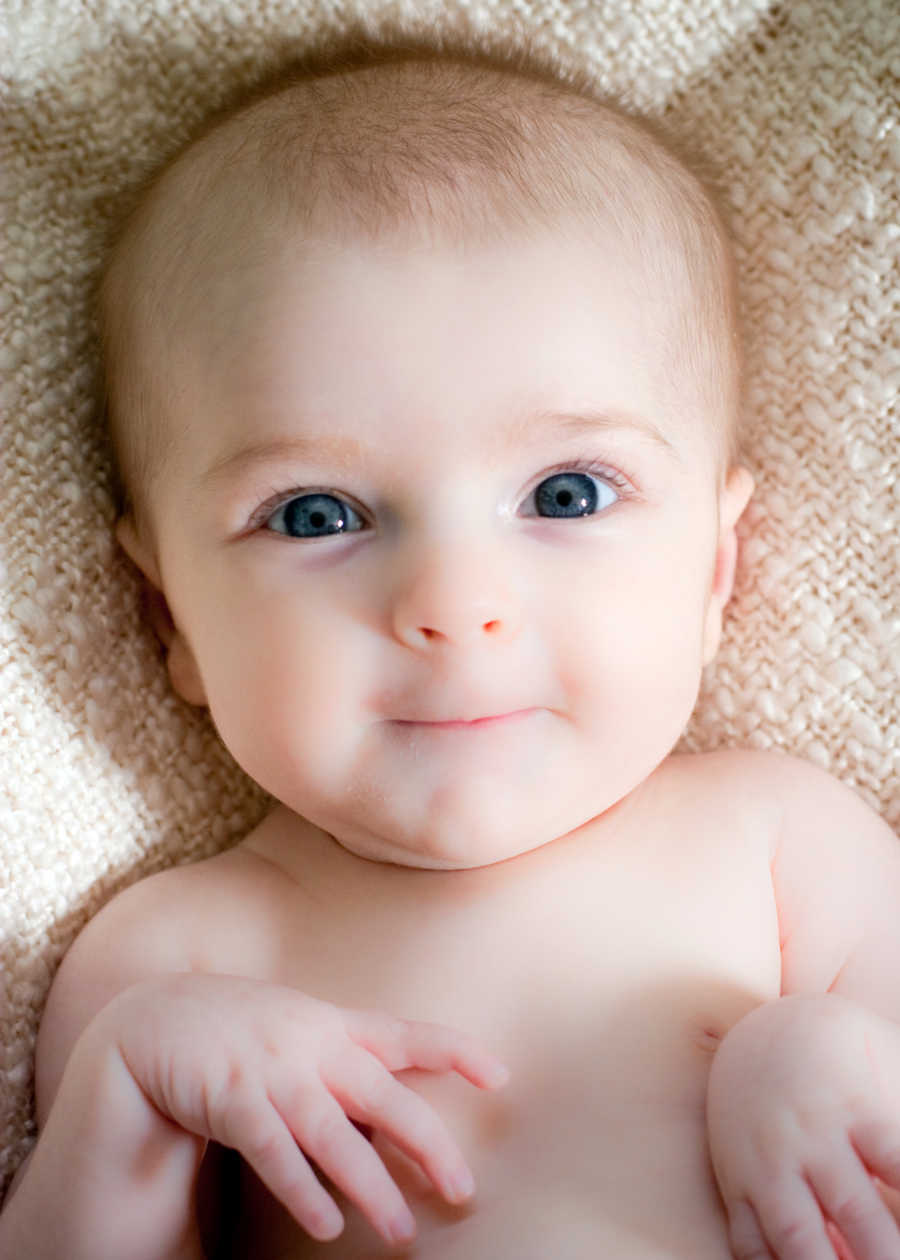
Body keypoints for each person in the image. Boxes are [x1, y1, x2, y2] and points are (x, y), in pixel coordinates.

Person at [3, 34, 900, 1260]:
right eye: (317, 515)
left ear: (714, 569)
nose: (455, 602)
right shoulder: (182, 955)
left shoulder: (788, 844)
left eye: (568, 494)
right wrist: (129, 1098)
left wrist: (822, 1061)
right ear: (172, 621)